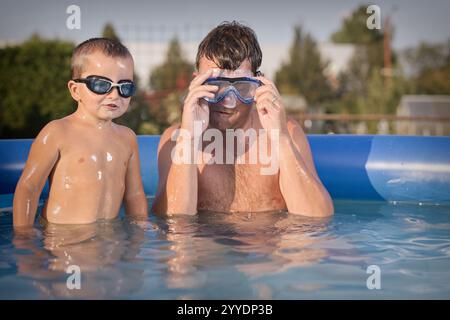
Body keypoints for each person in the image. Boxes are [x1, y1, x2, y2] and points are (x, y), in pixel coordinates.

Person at [152, 22, 333, 217]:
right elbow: (172, 225)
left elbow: (317, 219)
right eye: (215, 86)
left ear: (259, 84)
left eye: (242, 87)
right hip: (203, 246)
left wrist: (280, 138)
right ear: (196, 83)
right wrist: (189, 138)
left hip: (270, 245)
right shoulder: (176, 139)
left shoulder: (286, 132)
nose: (229, 102)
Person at [13, 38, 147, 227]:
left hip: (109, 238)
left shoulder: (127, 137)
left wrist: (141, 226)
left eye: (125, 87)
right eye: (101, 84)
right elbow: (29, 188)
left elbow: (134, 194)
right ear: (75, 90)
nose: (114, 95)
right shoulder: (58, 132)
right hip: (62, 238)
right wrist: (23, 236)